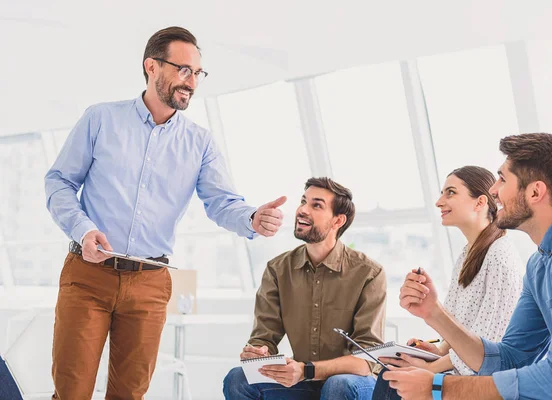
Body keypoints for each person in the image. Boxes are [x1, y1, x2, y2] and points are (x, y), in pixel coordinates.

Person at [45, 26, 285, 399]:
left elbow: (221, 201)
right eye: (183, 69)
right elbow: (59, 181)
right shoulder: (100, 119)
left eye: (197, 73)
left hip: (150, 282)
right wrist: (82, 228)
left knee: (130, 394)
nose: (191, 81)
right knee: (71, 390)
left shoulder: (199, 143)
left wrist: (252, 218)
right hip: (88, 276)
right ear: (152, 66)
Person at [387, 133, 552, 400]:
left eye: (502, 179)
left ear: (535, 192)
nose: (494, 191)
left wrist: (439, 387)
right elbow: (509, 359)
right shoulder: (540, 264)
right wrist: (434, 313)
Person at [223, 177, 387, 400]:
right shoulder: (277, 269)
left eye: (316, 205)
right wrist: (259, 352)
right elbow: (264, 337)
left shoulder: (369, 273)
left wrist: (306, 370)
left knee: (337, 385)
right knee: (237, 379)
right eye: (303, 201)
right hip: (302, 382)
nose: (302, 210)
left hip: (354, 383)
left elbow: (368, 360)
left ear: (338, 221)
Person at [372, 166, 523, 400]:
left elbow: (488, 349)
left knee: (395, 378)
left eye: (450, 193)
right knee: (393, 368)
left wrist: (431, 368)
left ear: (480, 202)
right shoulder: (467, 254)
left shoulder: (499, 257)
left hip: (480, 379)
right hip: (462, 367)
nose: (439, 202)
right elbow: (456, 328)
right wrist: (434, 351)